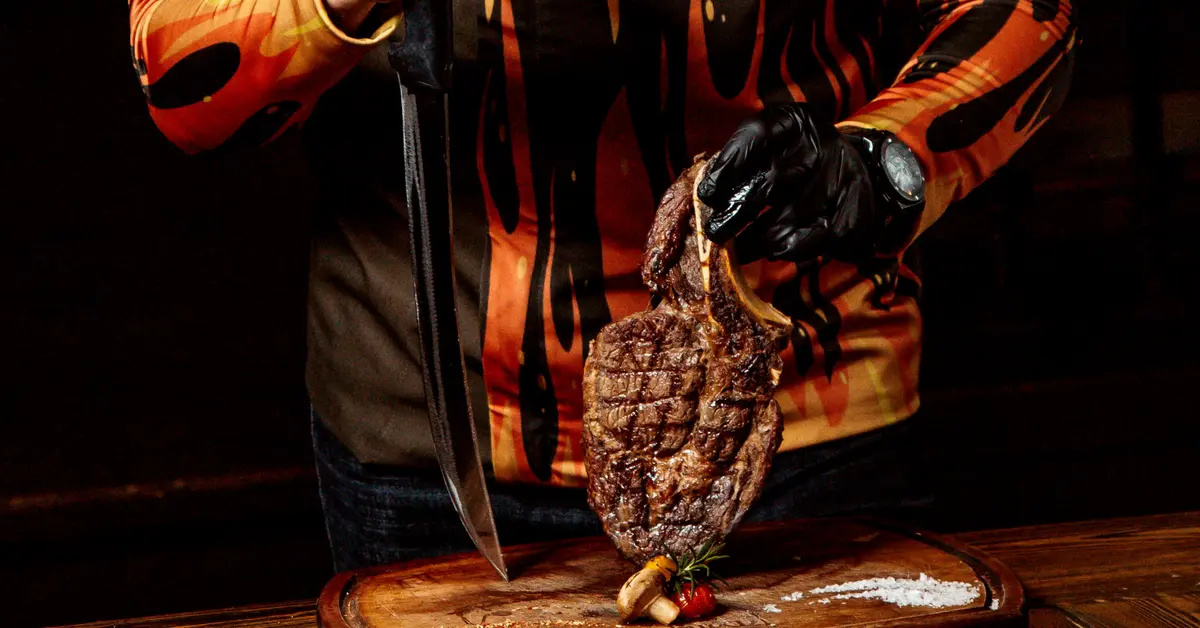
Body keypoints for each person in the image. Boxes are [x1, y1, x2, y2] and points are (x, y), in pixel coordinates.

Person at [127, 0, 1076, 572]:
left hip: (797, 403)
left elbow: (1029, 10)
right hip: (431, 430)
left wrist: (886, 162)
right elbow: (178, 81)